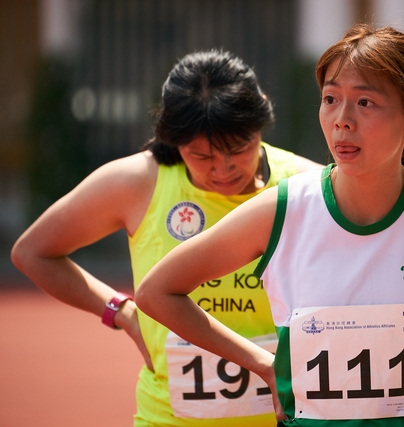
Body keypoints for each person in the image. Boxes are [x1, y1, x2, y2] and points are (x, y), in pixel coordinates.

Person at [135, 24, 404, 427]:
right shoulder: (283, 210)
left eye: (365, 102)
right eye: (330, 99)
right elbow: (157, 292)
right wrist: (264, 364)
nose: (342, 119)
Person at [11, 49, 322, 426]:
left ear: (262, 116)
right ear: (171, 138)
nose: (222, 170)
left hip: (287, 417)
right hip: (168, 418)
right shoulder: (137, 183)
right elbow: (33, 252)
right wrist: (120, 312)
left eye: (238, 150)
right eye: (201, 156)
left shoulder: (307, 186)